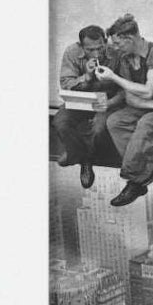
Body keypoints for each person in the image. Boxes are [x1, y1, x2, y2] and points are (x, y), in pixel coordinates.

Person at [101, 14, 153, 207]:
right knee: (115, 121)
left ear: (130, 38)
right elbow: (130, 97)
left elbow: (147, 90)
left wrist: (114, 78)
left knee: (146, 123)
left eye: (118, 43)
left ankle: (135, 182)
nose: (116, 48)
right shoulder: (127, 58)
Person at [49, 24, 111, 189]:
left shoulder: (115, 52)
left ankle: (86, 159)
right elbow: (66, 84)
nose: (96, 53)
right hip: (80, 100)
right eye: (90, 50)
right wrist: (87, 77)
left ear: (105, 42)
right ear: (81, 46)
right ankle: (79, 155)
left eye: (100, 48)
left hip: (106, 101)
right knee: (60, 122)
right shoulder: (72, 52)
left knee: (99, 129)